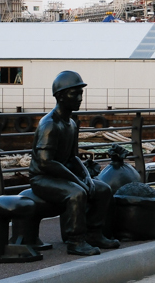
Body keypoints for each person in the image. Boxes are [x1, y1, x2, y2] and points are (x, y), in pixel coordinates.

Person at [29, 71, 119, 256]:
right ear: (60, 96)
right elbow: (45, 162)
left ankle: (94, 233)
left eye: (81, 93)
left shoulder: (71, 123)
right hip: (43, 179)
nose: (79, 98)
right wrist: (77, 181)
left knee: (102, 189)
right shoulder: (49, 124)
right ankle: (75, 241)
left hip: (61, 176)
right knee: (76, 193)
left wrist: (87, 177)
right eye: (74, 94)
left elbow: (73, 157)